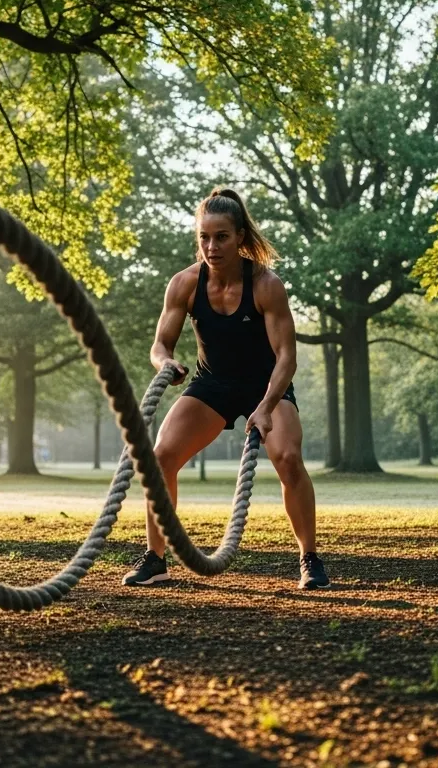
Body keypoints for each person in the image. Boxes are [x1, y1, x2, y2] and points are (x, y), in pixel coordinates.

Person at [121, 187, 330, 590]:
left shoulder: (266, 285)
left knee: (287, 458)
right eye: (204, 237)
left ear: (240, 238)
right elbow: (160, 345)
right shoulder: (184, 283)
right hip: (211, 384)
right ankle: (156, 558)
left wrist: (268, 405)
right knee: (160, 456)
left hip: (266, 386)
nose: (211, 246)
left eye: (221, 237)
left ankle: (310, 558)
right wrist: (166, 363)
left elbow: (287, 357)